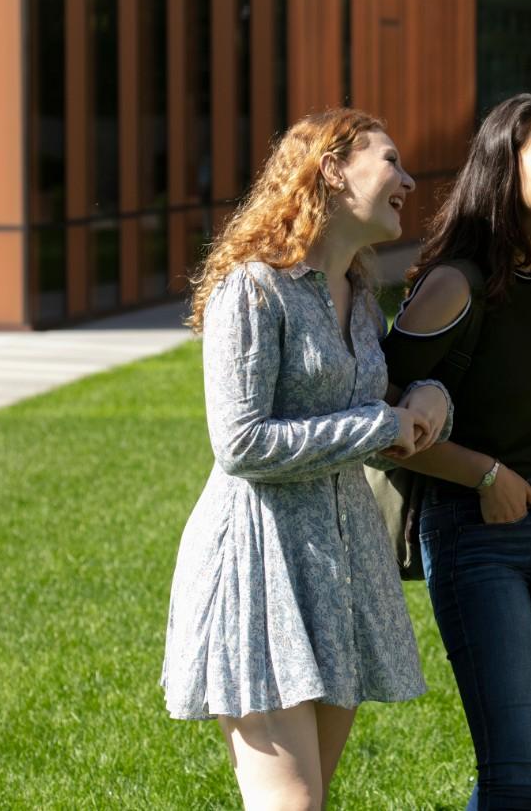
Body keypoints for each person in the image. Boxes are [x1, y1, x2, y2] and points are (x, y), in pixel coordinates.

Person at [161, 109, 453, 811]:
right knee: (290, 803)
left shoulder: (358, 296)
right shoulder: (251, 288)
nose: (408, 179)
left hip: (339, 570)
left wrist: (429, 394)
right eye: (390, 161)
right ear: (331, 169)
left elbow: (373, 395)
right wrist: (376, 424)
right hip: (261, 563)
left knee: (309, 799)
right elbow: (240, 442)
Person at [381, 94, 531, 810]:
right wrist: (484, 472)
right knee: (514, 770)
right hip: (477, 535)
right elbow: (379, 420)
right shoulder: (455, 284)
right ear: (502, 170)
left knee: (526, 757)